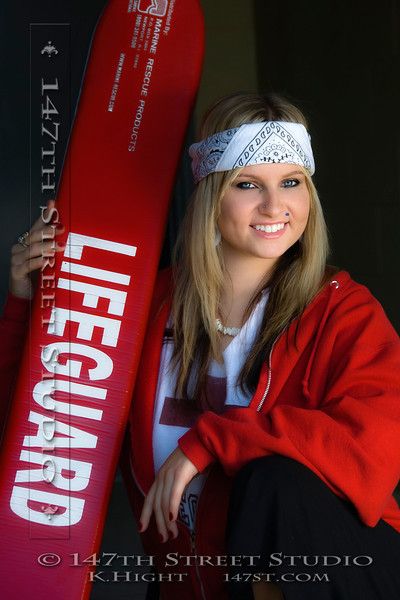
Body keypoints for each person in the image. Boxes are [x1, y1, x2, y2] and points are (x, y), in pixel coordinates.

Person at [2, 91, 400, 600]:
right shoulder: (140, 306)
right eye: (248, 184)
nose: (275, 206)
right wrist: (25, 303)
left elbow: (375, 446)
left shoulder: (342, 311)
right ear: (212, 195)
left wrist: (211, 440)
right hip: (188, 587)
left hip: (341, 576)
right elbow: (38, 428)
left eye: (292, 183)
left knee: (274, 479)